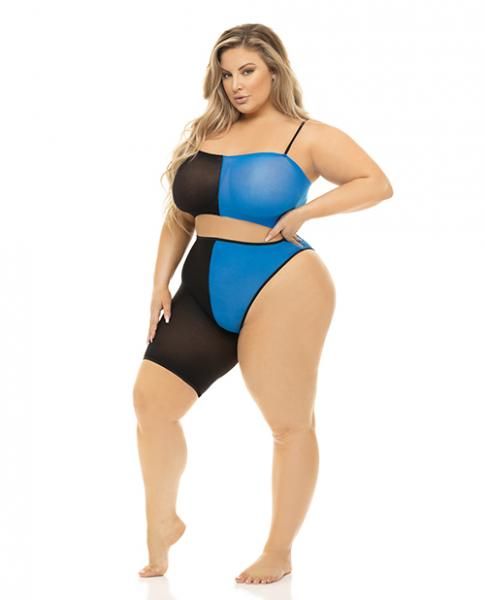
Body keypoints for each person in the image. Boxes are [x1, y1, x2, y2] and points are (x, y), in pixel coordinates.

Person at [132, 23, 393, 585]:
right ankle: (163, 520)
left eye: (247, 71)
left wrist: (306, 212)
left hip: (282, 285)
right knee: (151, 402)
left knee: (289, 424)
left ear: (274, 70)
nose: (236, 84)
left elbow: (375, 182)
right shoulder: (206, 132)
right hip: (201, 291)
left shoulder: (306, 136)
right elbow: (181, 216)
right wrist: (159, 282)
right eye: (226, 74)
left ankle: (279, 550)